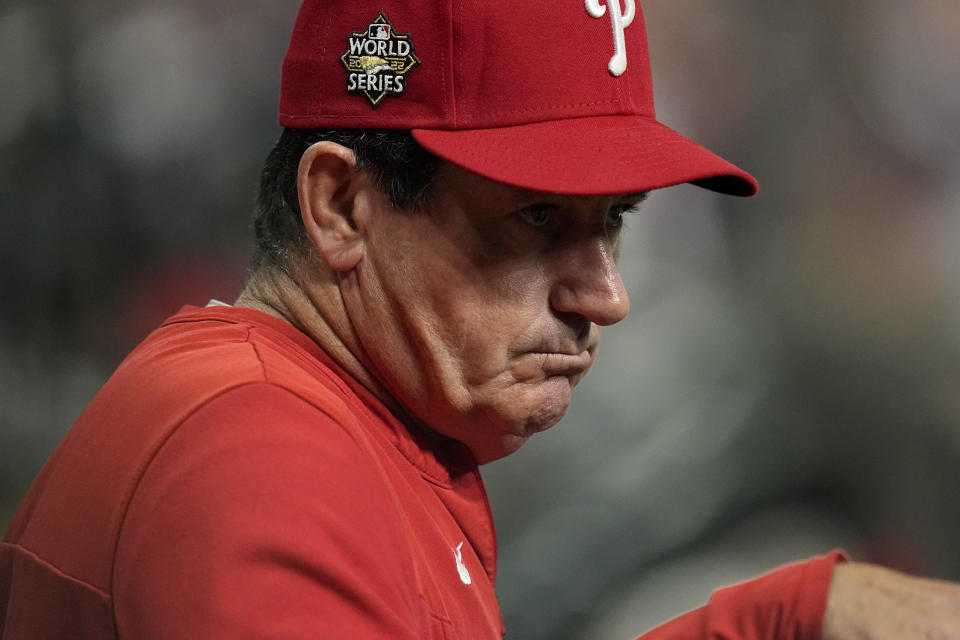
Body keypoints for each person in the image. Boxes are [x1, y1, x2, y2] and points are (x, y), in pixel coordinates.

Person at [2, 1, 959, 638]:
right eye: (537, 217)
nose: (607, 297)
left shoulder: (332, 419)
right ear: (340, 206)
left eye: (611, 224)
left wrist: (782, 619)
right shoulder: (260, 465)